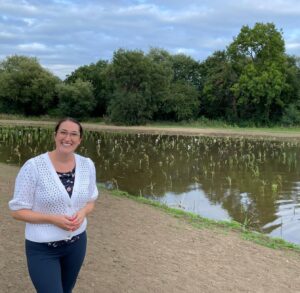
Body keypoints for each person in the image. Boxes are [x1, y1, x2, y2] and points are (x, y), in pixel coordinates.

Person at [9, 117, 99, 293]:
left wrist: (83, 212)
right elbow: (17, 211)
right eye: (63, 132)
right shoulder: (33, 166)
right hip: (43, 249)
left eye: (74, 134)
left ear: (80, 140)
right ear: (55, 135)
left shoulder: (87, 165)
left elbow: (91, 201)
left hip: (77, 244)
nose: (68, 138)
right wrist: (51, 219)